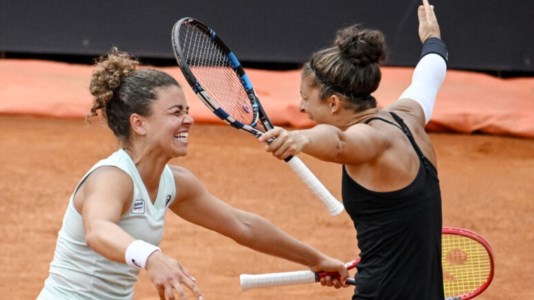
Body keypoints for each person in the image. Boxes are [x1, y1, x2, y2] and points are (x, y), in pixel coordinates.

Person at [37, 48, 349, 300]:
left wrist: (316, 260)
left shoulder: (175, 182)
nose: (189, 121)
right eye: (176, 113)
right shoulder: (111, 177)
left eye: (186, 111)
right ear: (139, 123)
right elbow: (98, 230)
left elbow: (243, 226)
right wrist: (151, 257)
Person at [259, 0, 447, 299]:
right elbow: (432, 70)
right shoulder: (409, 116)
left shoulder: (371, 140)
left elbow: (338, 143)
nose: (300, 106)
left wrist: (301, 139)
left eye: (305, 97)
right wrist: (431, 37)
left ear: (334, 103)